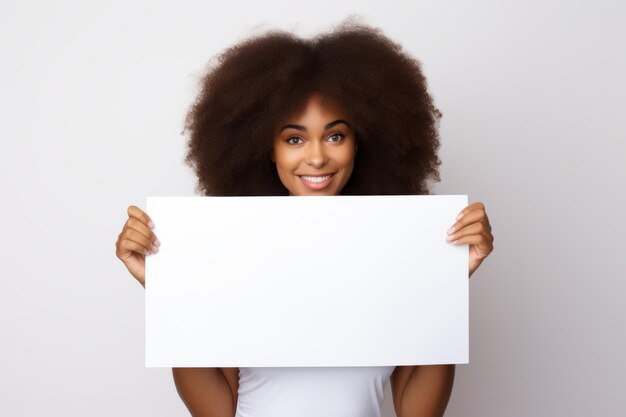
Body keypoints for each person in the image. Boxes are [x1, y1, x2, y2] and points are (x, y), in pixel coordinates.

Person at [115, 21, 494, 417]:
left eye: (335, 136)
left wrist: (445, 278)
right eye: (294, 139)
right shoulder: (234, 256)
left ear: (361, 142)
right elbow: (215, 410)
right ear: (267, 149)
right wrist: (170, 290)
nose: (316, 158)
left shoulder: (392, 257)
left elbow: (420, 412)